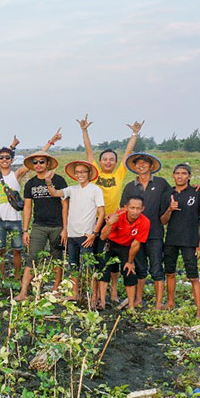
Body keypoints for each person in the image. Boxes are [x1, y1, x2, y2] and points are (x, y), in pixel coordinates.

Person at [80, 115, 143, 303]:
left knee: (114, 260)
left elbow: (127, 154)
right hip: (94, 222)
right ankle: (96, 294)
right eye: (105, 159)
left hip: (114, 222)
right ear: (100, 162)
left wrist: (134, 134)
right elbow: (89, 153)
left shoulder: (118, 174)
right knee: (99, 259)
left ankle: (114, 292)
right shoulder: (95, 174)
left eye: (111, 159)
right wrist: (84, 131)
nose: (108, 162)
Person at [42, 160, 105, 304]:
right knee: (73, 265)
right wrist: (48, 181)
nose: (80, 175)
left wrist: (94, 234)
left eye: (83, 172)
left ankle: (93, 296)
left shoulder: (95, 190)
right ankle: (74, 293)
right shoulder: (72, 189)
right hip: (72, 234)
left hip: (86, 235)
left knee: (89, 266)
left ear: (89, 173)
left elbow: (101, 213)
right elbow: (55, 193)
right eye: (77, 172)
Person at [121, 153, 171, 308]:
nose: (141, 166)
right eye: (138, 164)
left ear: (151, 166)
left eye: (144, 163)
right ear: (134, 167)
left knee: (157, 268)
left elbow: (176, 193)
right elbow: (123, 209)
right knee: (140, 268)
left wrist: (195, 188)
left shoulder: (161, 184)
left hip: (155, 233)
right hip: (135, 235)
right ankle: (137, 300)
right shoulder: (130, 186)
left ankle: (158, 303)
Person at [18, 150, 68, 301]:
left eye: (41, 162)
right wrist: (25, 230)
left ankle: (55, 290)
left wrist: (65, 228)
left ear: (47, 164)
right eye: (35, 162)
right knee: (32, 258)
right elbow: (27, 207)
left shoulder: (59, 180)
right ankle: (23, 291)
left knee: (57, 258)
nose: (38, 165)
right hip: (38, 226)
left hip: (57, 226)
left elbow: (65, 205)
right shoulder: (30, 184)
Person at [160, 163, 200, 316]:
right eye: (177, 173)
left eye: (184, 173)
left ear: (189, 176)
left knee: (193, 275)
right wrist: (170, 209)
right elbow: (163, 221)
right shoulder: (168, 194)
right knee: (170, 273)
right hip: (171, 239)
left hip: (190, 240)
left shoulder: (197, 192)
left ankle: (199, 309)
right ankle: (170, 302)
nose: (180, 176)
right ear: (173, 175)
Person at [98, 196, 150, 311]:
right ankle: (102, 302)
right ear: (126, 207)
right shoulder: (118, 216)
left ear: (143, 209)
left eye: (138, 208)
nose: (135, 211)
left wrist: (130, 262)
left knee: (129, 271)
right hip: (110, 242)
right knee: (104, 270)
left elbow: (136, 244)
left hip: (127, 245)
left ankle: (131, 305)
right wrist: (109, 224)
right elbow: (102, 236)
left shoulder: (145, 222)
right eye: (132, 208)